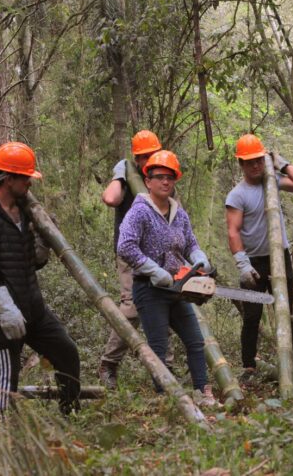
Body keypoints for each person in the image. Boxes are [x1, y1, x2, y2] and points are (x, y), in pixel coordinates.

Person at [0, 142, 81, 415]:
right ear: (9, 179)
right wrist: (6, 308)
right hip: (3, 311)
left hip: (33, 306)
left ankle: (71, 413)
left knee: (67, 352)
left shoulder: (27, 212)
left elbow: (31, 264)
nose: (30, 183)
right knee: (7, 374)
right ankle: (5, 432)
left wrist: (42, 242)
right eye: (26, 177)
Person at [117, 150, 218, 407]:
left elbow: (190, 244)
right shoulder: (139, 211)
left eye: (170, 177)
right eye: (159, 177)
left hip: (177, 288)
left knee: (195, 341)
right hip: (149, 289)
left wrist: (199, 258)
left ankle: (202, 392)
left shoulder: (179, 214)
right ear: (148, 180)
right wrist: (153, 270)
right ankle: (166, 400)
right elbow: (125, 246)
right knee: (158, 347)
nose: (165, 182)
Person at [225, 134, 293, 380]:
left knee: (285, 310)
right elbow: (233, 231)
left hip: (279, 257)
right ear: (240, 164)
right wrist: (242, 264)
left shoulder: (272, 181)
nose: (255, 166)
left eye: (259, 160)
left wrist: (280, 163)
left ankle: (290, 364)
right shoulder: (237, 195)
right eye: (249, 161)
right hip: (252, 260)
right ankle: (249, 367)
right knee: (252, 316)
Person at [99, 130, 165, 389]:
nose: (148, 161)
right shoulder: (128, 177)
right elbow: (110, 199)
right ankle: (109, 363)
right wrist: (120, 175)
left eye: (152, 155)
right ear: (136, 159)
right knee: (132, 307)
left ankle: (164, 366)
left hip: (159, 254)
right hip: (131, 252)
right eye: (143, 157)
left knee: (164, 304)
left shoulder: (162, 175)